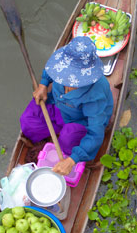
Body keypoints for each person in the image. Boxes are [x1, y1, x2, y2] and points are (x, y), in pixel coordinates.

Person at [20, 36, 114, 176]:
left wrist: (71, 160)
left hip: (82, 121)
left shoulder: (95, 95)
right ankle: (57, 135)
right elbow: (49, 71)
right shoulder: (59, 67)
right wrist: (43, 84)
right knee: (28, 121)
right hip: (60, 106)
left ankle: (69, 146)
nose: (64, 79)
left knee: (68, 139)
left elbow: (95, 134)